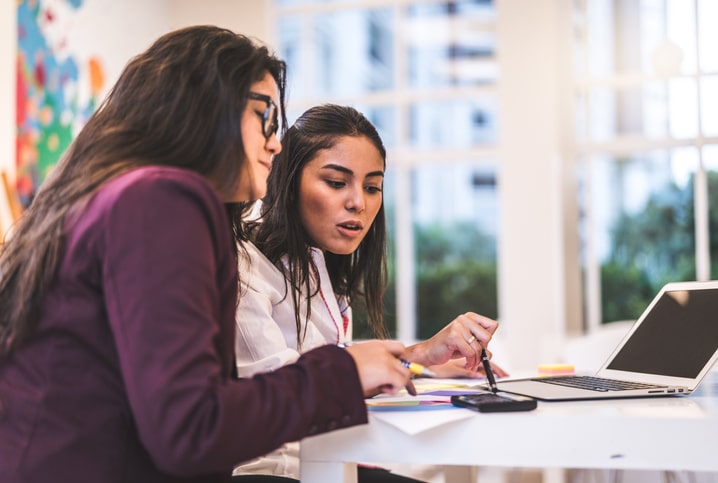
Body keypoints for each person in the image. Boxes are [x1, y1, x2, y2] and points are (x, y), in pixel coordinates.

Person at [0, 26, 415, 483]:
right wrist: (343, 373)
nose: (275, 142)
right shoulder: (163, 200)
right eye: (265, 116)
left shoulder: (112, 198)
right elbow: (190, 428)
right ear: (202, 107)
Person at [231, 104, 507, 481]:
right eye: (335, 182)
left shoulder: (316, 268)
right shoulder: (245, 266)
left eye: (372, 187)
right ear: (287, 180)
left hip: (326, 462)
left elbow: (331, 370)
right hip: (273, 473)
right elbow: (286, 393)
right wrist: (411, 360)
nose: (359, 202)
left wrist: (420, 360)